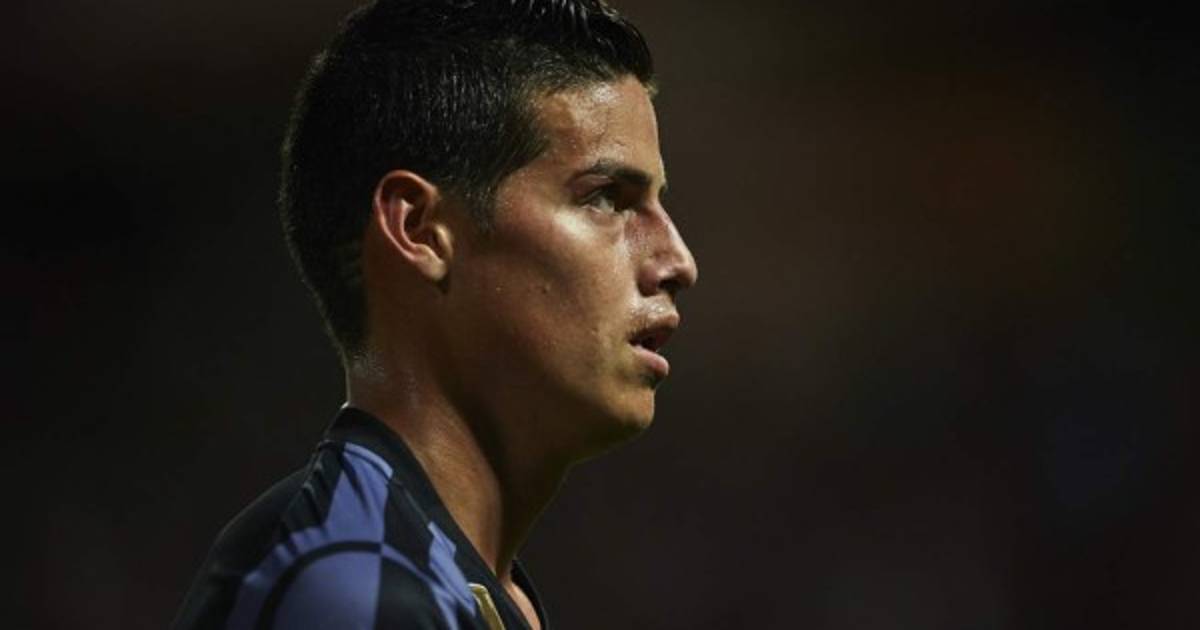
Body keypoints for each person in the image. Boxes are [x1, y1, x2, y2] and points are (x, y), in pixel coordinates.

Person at [172, 0, 697, 627]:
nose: (678, 260)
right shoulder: (352, 592)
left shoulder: (434, 576)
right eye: (606, 198)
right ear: (420, 230)